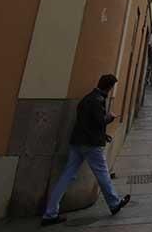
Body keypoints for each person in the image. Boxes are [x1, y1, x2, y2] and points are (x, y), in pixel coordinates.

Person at [40, 74, 131, 227]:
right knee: (102, 174)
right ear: (109, 87)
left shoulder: (86, 98)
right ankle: (114, 203)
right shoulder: (98, 101)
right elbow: (98, 122)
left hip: (77, 143)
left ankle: (50, 213)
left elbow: (85, 122)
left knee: (66, 176)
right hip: (91, 145)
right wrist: (109, 118)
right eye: (112, 87)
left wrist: (103, 134)